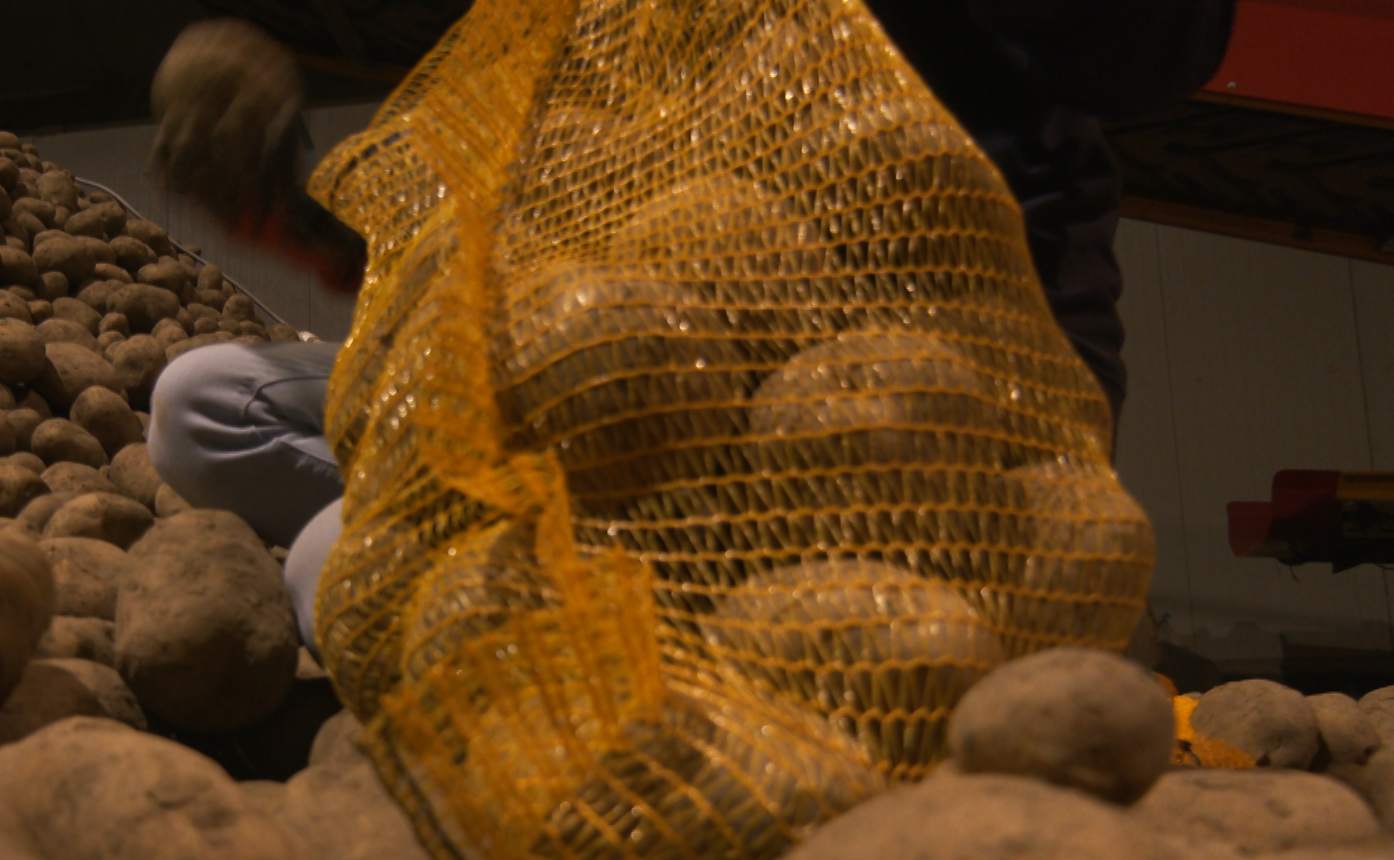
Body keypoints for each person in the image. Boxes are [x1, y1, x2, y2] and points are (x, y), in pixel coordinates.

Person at [144, 3, 1238, 654]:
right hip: (646, 379)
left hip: (905, 408)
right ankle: (534, 568)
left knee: (340, 567)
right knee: (202, 407)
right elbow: (517, 227)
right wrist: (304, 228)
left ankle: (582, 623)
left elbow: (1165, 42)